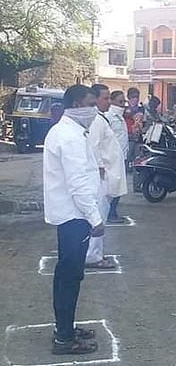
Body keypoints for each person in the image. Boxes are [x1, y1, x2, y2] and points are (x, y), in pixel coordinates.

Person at [44, 84, 103, 355]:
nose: (94, 109)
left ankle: (64, 328)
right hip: (75, 216)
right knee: (69, 276)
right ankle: (64, 339)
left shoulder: (69, 131)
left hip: (70, 214)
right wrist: (95, 218)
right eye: (91, 104)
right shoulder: (69, 136)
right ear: (78, 105)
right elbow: (77, 183)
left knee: (67, 274)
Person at [85, 84, 126, 268]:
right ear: (95, 99)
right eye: (106, 98)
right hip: (101, 177)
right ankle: (92, 256)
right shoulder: (95, 120)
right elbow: (93, 147)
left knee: (100, 214)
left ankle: (95, 253)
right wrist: (101, 169)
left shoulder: (99, 118)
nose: (109, 102)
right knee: (98, 216)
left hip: (105, 175)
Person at [106, 90, 129, 223]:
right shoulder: (109, 116)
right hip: (112, 158)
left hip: (121, 156)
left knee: (119, 186)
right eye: (120, 101)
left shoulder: (120, 117)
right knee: (113, 187)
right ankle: (110, 213)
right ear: (112, 101)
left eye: (124, 101)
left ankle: (112, 211)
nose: (123, 104)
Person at [124, 87, 144, 169]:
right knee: (127, 156)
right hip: (127, 136)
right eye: (133, 97)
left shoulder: (141, 108)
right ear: (128, 97)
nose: (135, 99)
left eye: (137, 97)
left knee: (138, 158)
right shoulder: (124, 108)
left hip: (138, 137)